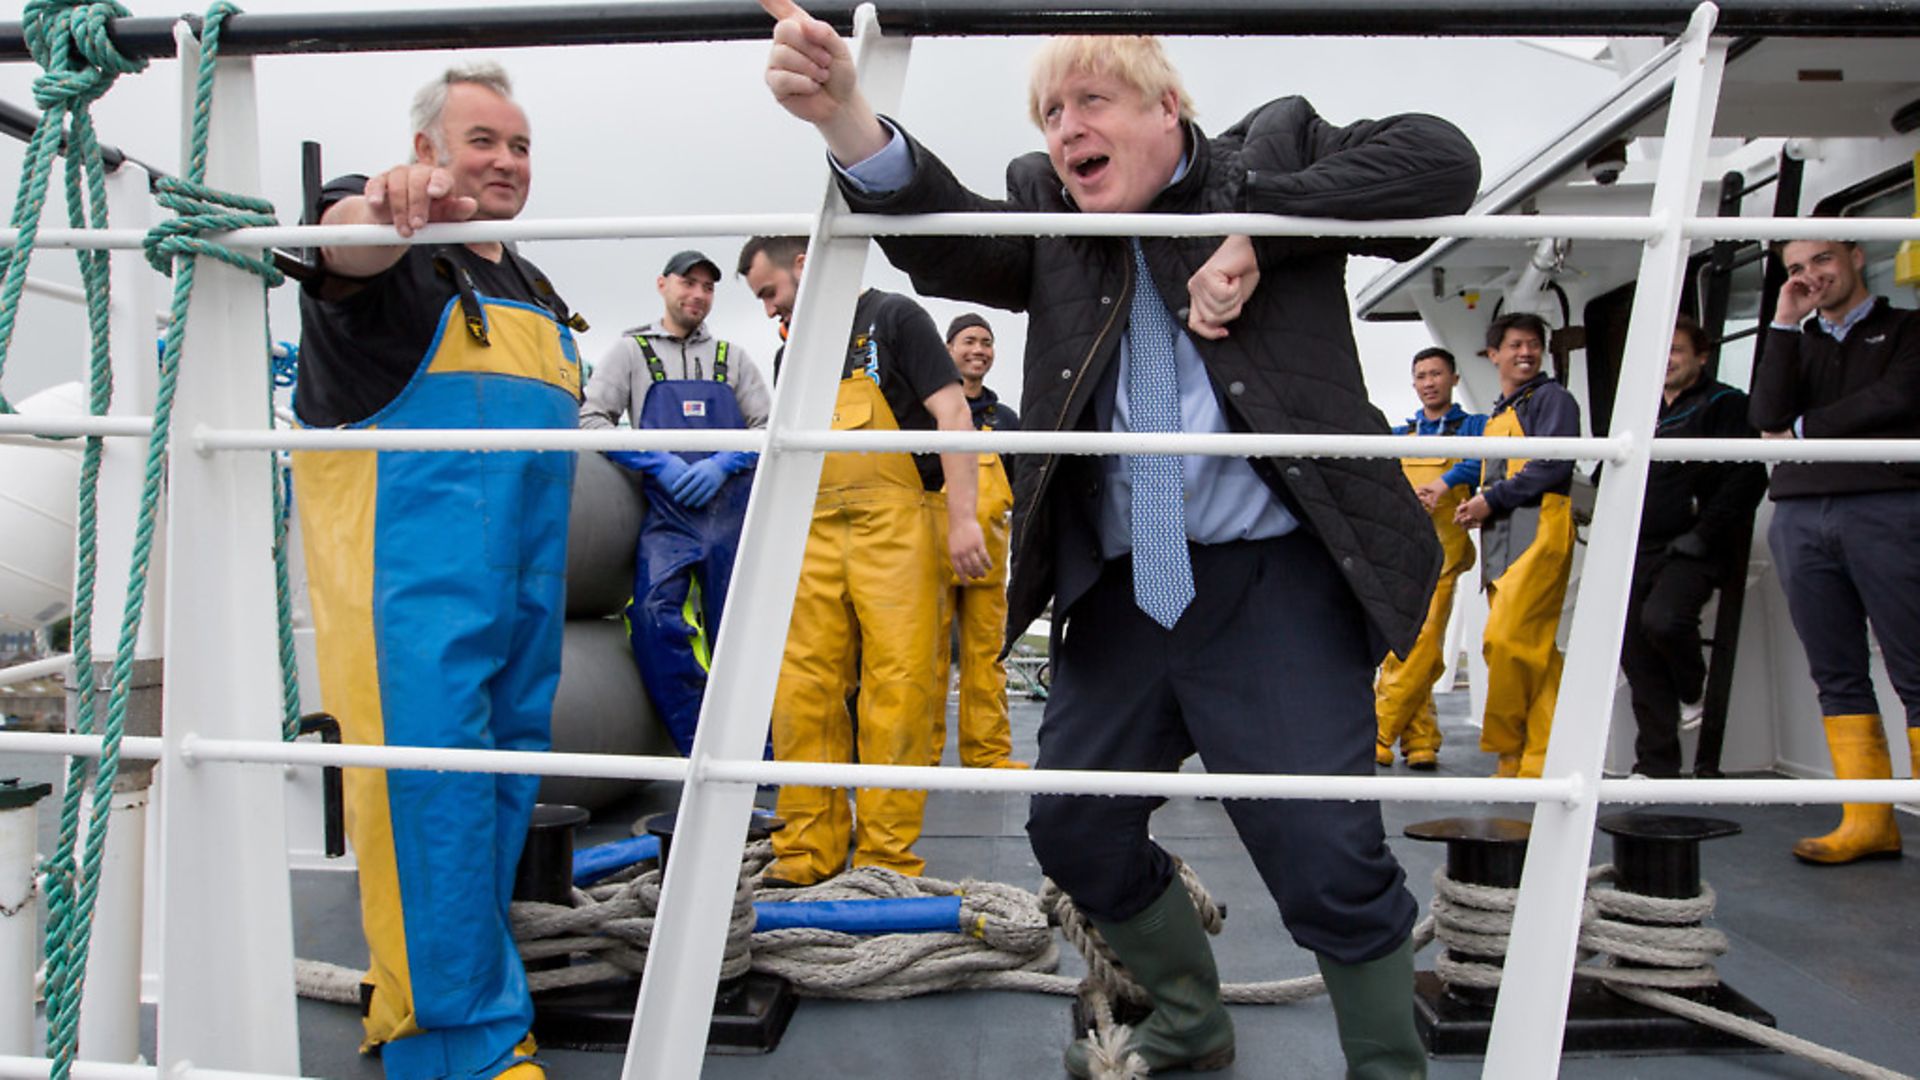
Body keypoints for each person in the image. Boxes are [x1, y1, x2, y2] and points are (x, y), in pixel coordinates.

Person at [760, 6, 1480, 1074]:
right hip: (1122, 586)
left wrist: (1256, 226)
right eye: (1051, 113)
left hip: (1273, 579)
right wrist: (844, 115)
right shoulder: (1049, 204)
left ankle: (1386, 1066)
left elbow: (1443, 161)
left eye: (1089, 102)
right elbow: (941, 230)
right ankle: (1189, 1016)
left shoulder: (1272, 146)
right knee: (1075, 831)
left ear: (1167, 108)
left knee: (1325, 851)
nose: (1065, 130)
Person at [291, 63, 578, 1080]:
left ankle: (433, 996)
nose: (505, 161)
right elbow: (341, 243)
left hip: (517, 589)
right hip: (406, 585)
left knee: (496, 788)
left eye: (521, 145)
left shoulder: (531, 283)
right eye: (482, 141)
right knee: (432, 793)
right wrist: (376, 203)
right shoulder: (396, 250)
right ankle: (456, 1047)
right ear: (426, 155)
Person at [737, 234, 990, 886]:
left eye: (770, 292)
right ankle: (805, 856)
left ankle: (883, 862)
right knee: (803, 692)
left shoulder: (895, 316)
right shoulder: (793, 348)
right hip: (813, 530)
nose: (768, 309)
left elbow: (952, 412)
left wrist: (963, 519)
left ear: (804, 263)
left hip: (901, 524)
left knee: (899, 691)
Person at [1750, 238, 1920, 864]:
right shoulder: (1797, 339)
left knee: (1916, 666)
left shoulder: (1907, 329)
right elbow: (1762, 410)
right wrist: (1784, 323)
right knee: (1837, 673)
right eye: (1796, 269)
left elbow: (1899, 398)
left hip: (1889, 504)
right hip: (1799, 514)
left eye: (1820, 261)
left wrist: (1800, 429)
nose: (1810, 276)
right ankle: (1868, 819)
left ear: (1852, 255)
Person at [579, 250, 771, 755]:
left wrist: (723, 463)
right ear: (663, 284)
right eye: (689, 283)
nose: (698, 295)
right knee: (652, 615)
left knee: (742, 630)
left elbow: (768, 428)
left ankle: (760, 752)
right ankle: (695, 742)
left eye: (709, 287)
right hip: (668, 515)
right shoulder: (630, 351)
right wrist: (658, 461)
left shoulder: (733, 357)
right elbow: (592, 421)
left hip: (734, 515)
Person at [1620, 316, 1766, 779]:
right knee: (1635, 654)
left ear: (1701, 356)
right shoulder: (1642, 412)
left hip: (1696, 545)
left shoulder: (1727, 405)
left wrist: (1703, 535)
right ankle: (1656, 765)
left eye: (1677, 350)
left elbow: (1747, 476)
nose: (1666, 361)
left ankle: (1690, 689)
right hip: (1638, 544)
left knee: (1663, 621)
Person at [1454, 312, 1581, 780]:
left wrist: (1491, 500)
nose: (1525, 353)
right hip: (1502, 539)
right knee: (1536, 652)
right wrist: (1476, 505)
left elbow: (1551, 466)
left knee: (1505, 642)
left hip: (1538, 532)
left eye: (1533, 345)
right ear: (1494, 355)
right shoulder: (1500, 411)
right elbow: (1498, 470)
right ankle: (1539, 758)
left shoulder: (1553, 400)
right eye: (1514, 345)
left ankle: (1510, 748)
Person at [1374, 347, 1486, 770]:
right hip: (1402, 552)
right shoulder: (1400, 436)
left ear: (1454, 379)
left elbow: (1481, 461)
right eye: (1421, 375)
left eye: (1436, 374)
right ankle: (1420, 741)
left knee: (1421, 642)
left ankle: (1380, 730)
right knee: (1403, 642)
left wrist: (1444, 482)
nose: (1428, 382)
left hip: (1444, 551)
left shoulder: (1474, 426)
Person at [931, 312, 1029, 769]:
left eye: (987, 342)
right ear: (948, 349)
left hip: (990, 559)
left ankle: (988, 755)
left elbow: (1023, 487)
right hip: (931, 556)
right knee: (926, 661)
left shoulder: (1007, 420)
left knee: (988, 658)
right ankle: (920, 756)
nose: (979, 350)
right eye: (969, 340)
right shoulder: (926, 411)